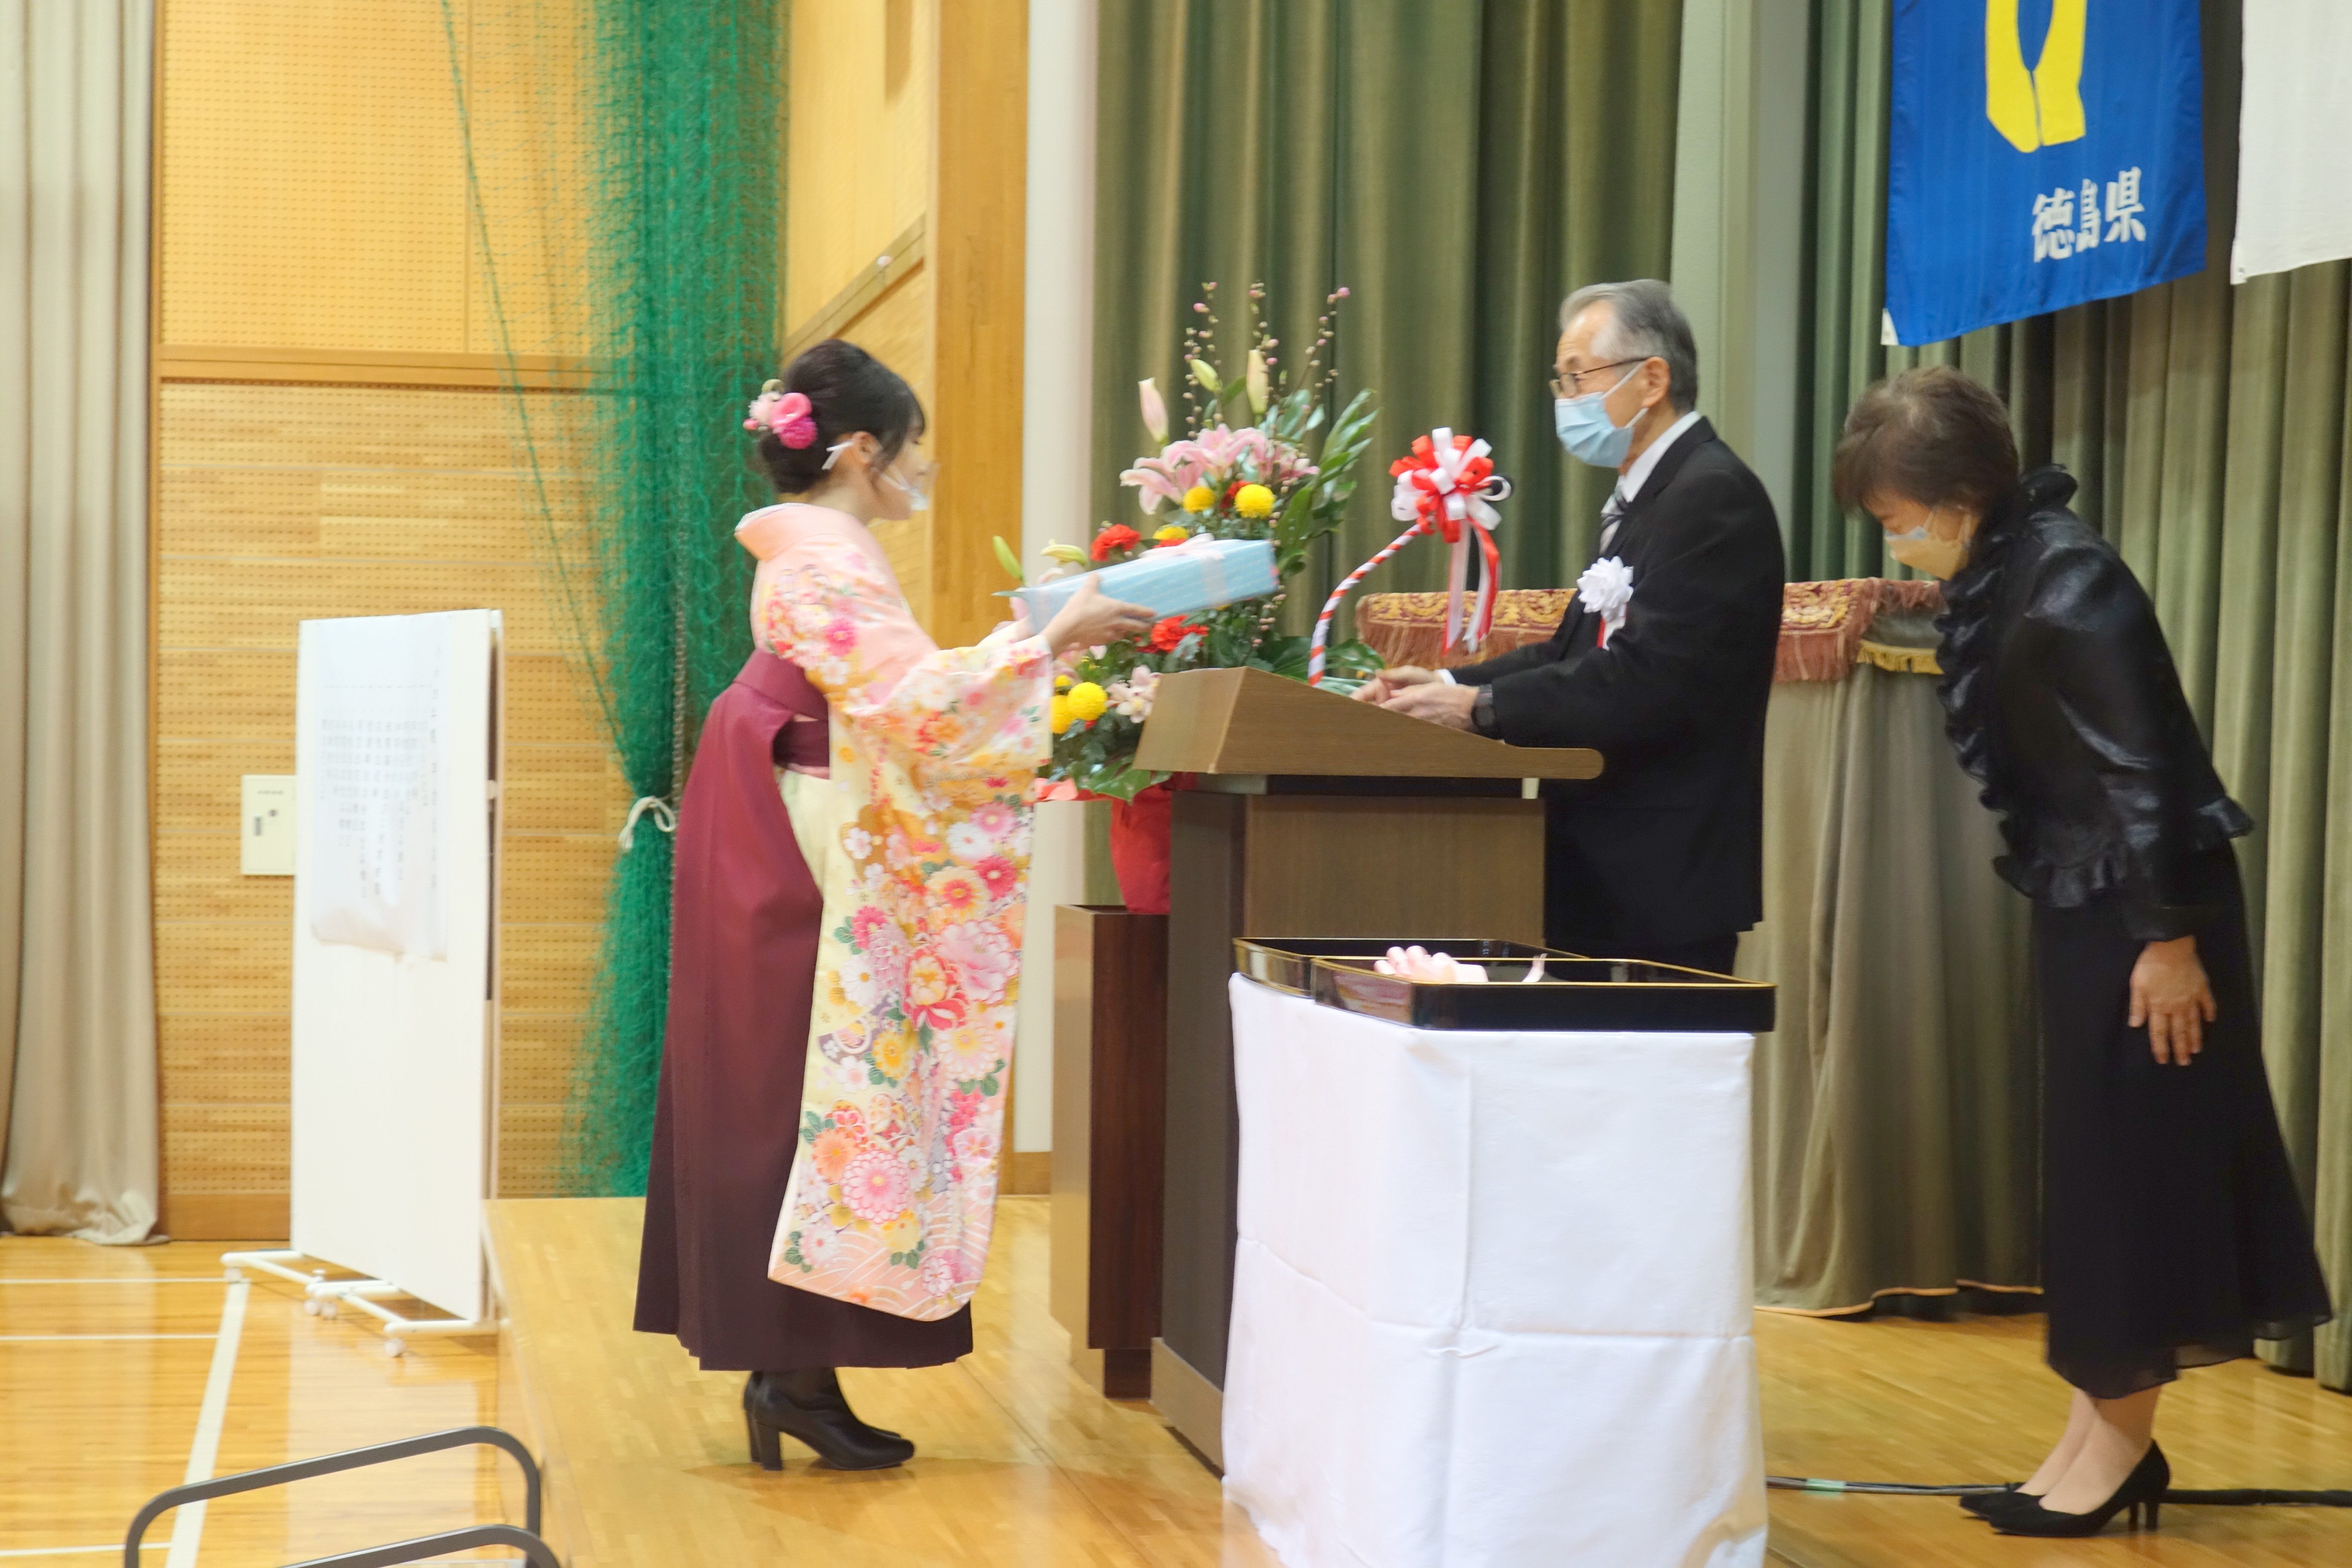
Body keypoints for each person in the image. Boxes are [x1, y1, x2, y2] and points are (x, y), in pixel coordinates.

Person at [1832, 366, 2332, 1539]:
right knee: (2096, 1174)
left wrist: (2169, 940)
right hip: (2093, 900)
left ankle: (2117, 1449)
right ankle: (2090, 1438)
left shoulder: (2071, 578)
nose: (1898, 544)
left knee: (2135, 1175)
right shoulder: (2010, 568)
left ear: (1957, 498)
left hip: (2150, 915)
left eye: (1900, 519)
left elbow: (2146, 772)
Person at [634, 339, 1150, 1472]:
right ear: (861, 451)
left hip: (793, 793)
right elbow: (916, 704)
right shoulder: (827, 554)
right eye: (914, 449)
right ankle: (789, 1367)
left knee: (784, 1075)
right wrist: (1050, 641)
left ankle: (794, 1373)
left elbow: (898, 693)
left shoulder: (817, 547)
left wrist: (1025, 646)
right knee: (801, 1076)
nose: (923, 468)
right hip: (811, 809)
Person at [1361, 279, 1784, 974]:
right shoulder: (1647, 495)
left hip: (1663, 877)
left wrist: (1482, 708)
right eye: (1561, 381)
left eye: (1578, 377)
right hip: (1604, 868)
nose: (1566, 399)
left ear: (1652, 380)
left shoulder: (1711, 496)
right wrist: (1445, 685)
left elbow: (1648, 677)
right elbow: (1570, 651)